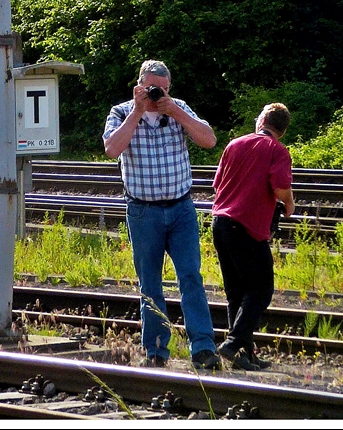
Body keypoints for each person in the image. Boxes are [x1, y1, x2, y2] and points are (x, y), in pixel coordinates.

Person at [103, 59, 220, 370]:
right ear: (140, 85)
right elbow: (112, 149)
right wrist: (138, 111)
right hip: (143, 211)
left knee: (191, 277)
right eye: (153, 88)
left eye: (163, 89)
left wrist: (175, 111)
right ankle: (156, 350)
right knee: (150, 284)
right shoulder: (121, 112)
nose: (158, 94)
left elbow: (209, 140)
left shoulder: (177, 108)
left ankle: (203, 348)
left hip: (181, 209)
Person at [212, 102, 294, 371]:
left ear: (261, 121)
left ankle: (243, 355)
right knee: (260, 290)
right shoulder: (278, 150)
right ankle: (235, 343)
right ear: (282, 130)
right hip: (246, 227)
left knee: (236, 292)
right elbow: (281, 188)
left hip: (220, 223)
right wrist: (289, 205)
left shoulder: (234, 144)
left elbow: (217, 184)